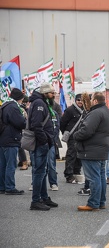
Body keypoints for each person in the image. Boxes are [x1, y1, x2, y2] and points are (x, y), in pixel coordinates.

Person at [73, 92, 109, 211]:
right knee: (100, 177)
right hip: (101, 148)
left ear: (95, 101)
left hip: (91, 150)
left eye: (92, 99)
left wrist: (75, 135)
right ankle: (101, 202)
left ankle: (93, 203)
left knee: (93, 178)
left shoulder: (96, 113)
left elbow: (86, 131)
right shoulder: (107, 111)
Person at [28, 82, 59, 210]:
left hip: (44, 142)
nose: (54, 95)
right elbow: (36, 125)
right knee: (39, 172)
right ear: (45, 93)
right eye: (52, 93)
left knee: (43, 171)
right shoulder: (40, 103)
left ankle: (44, 197)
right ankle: (36, 201)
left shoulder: (42, 102)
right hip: (41, 143)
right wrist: (44, 140)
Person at [0, 88, 27, 195]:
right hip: (11, 138)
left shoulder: (5, 104)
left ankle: (2, 186)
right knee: (11, 164)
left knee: (3, 164)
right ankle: (10, 187)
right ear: (19, 98)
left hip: (3, 138)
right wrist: (24, 118)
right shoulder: (13, 106)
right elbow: (20, 122)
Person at [60, 94, 84, 183]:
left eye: (81, 100)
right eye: (78, 100)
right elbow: (62, 123)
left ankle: (76, 171)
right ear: (75, 100)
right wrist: (67, 133)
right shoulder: (70, 110)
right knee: (71, 154)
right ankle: (69, 174)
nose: (80, 102)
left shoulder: (85, 110)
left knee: (79, 155)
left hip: (81, 136)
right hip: (72, 136)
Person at [18, 95, 30, 170]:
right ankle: (23, 161)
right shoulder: (21, 109)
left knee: (21, 146)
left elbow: (25, 119)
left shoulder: (20, 109)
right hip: (21, 129)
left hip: (21, 130)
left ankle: (25, 162)